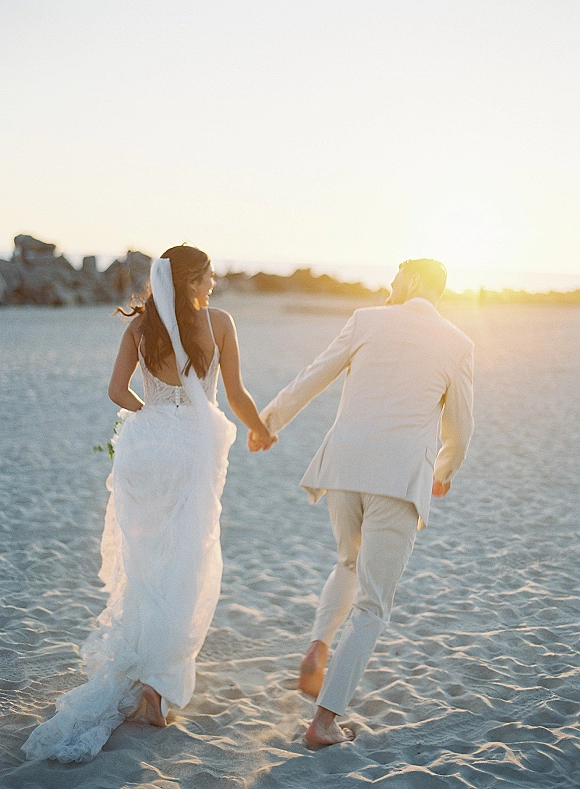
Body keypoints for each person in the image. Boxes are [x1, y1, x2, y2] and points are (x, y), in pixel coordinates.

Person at [22, 245, 275, 763]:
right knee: (186, 564)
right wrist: (261, 430)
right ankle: (155, 693)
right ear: (190, 281)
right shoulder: (220, 323)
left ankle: (145, 677)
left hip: (147, 454)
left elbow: (118, 391)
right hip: (195, 453)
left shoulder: (140, 328)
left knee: (147, 563)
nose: (213, 286)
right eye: (207, 277)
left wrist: (152, 417)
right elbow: (236, 393)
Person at [252, 259, 474, 747]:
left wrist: (268, 422)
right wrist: (443, 472)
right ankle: (324, 723)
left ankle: (318, 645)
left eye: (396, 280)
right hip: (397, 478)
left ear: (416, 281)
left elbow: (315, 375)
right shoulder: (458, 343)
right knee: (373, 605)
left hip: (345, 468)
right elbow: (461, 428)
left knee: (347, 561)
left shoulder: (366, 320)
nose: (389, 288)